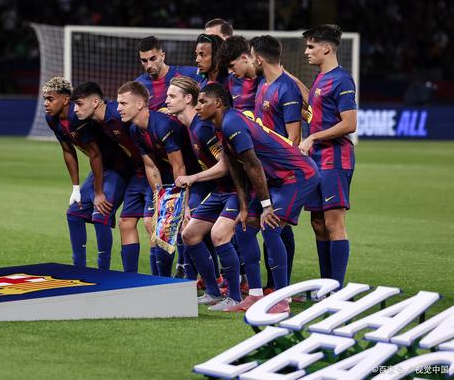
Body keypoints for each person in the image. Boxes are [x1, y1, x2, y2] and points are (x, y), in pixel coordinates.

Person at [198, 83, 320, 313]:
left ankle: (282, 300)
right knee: (243, 229)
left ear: (218, 103)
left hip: (297, 174)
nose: (197, 106)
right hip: (277, 179)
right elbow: (236, 168)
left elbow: (253, 165)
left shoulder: (232, 123)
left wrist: (266, 206)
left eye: (203, 101)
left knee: (270, 227)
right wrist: (244, 207)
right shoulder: (222, 126)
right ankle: (255, 295)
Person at [165, 76, 241, 311]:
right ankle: (213, 292)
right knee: (189, 235)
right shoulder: (192, 127)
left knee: (220, 236)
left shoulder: (203, 127)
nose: (166, 101)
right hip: (220, 190)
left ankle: (236, 297)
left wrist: (193, 178)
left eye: (172, 96)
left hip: (236, 190)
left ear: (188, 99)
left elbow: (225, 165)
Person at [116, 80, 201, 276]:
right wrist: (159, 198)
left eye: (123, 103)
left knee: (180, 226)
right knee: (153, 223)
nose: (118, 108)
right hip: (169, 174)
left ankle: (188, 275)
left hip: (193, 175)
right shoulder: (134, 129)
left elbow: (179, 166)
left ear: (140, 104)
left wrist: (183, 203)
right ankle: (160, 280)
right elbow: (151, 167)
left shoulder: (162, 126)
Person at [43, 77, 126, 271]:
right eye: (44, 99)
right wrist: (75, 188)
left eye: (50, 99)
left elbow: (95, 154)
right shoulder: (51, 119)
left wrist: (99, 193)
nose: (46, 103)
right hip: (101, 169)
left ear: (66, 100)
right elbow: (68, 151)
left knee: (101, 213)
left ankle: (103, 272)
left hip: (118, 167)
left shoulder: (77, 117)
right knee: (74, 214)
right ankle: (78, 270)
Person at [299, 24, 357, 289]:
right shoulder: (320, 79)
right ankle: (326, 287)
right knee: (318, 223)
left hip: (335, 158)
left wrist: (313, 137)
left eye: (311, 46)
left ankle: (336, 290)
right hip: (316, 160)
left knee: (334, 222)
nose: (306, 52)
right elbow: (315, 113)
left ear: (326, 48)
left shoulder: (342, 80)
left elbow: (349, 124)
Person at [71, 81, 148, 273]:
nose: (75, 109)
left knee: (154, 223)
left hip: (146, 172)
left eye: (79, 104)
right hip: (129, 172)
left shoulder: (118, 116)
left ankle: (179, 271)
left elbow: (147, 134)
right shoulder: (95, 122)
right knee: (123, 222)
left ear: (95, 102)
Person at [249, 35, 303, 289]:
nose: (251, 61)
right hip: (265, 170)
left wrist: (278, 165)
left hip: (283, 172)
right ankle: (275, 285)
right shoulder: (263, 85)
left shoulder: (287, 88)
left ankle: (279, 288)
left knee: (273, 226)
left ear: (259, 58)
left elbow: (294, 137)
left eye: (251, 56)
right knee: (277, 227)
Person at [135, 36, 200, 112]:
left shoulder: (186, 74)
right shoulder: (139, 86)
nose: (149, 65)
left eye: (153, 59)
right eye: (144, 61)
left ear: (163, 56)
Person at [217, 35, 260, 112]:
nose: (230, 72)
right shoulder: (231, 80)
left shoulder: (265, 79)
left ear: (244, 58)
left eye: (232, 66)